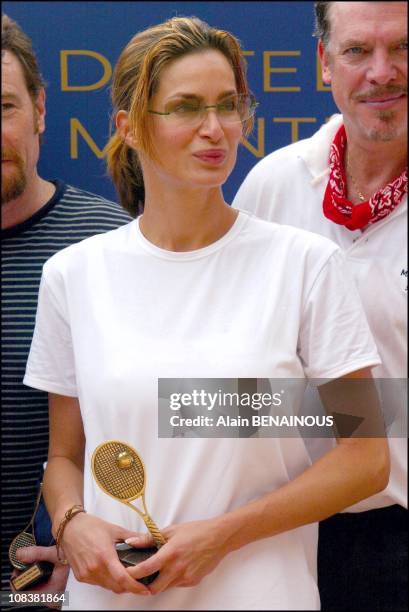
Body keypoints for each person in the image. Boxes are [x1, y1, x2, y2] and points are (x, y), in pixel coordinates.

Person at [23, 16, 389, 611]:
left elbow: (367, 459)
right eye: (186, 107)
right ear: (130, 128)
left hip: (262, 595)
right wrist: (70, 523)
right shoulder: (74, 274)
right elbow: (65, 454)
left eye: (227, 106)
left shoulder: (306, 264)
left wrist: (220, 537)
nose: (215, 129)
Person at [233, 1, 407, 609]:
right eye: (358, 50)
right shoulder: (272, 183)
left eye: (403, 48)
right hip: (275, 529)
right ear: (324, 64)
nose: (382, 72)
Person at [1, 13, 132, 597]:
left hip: (60, 586)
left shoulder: (111, 245)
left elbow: (147, 423)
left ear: (40, 111)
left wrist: (78, 542)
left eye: (4, 107)